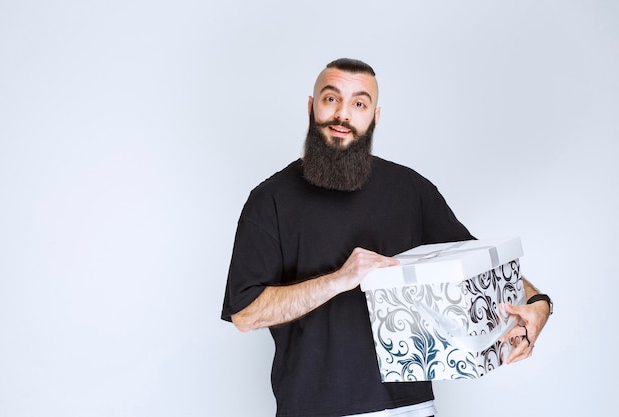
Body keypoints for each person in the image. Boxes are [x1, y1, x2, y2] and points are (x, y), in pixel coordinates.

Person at [221, 58, 552, 417]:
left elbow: (480, 270)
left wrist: (538, 304)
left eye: (359, 104)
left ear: (375, 116)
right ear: (310, 106)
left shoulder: (410, 190)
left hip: (411, 408)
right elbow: (245, 315)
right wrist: (339, 280)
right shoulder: (270, 200)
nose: (343, 114)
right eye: (331, 99)